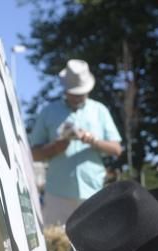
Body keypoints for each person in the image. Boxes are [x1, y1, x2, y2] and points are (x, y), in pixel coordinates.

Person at [28, 59, 123, 227]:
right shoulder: (49, 112)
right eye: (74, 93)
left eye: (81, 92)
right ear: (66, 90)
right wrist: (54, 148)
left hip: (93, 190)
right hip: (58, 194)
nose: (77, 96)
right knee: (56, 247)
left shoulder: (99, 110)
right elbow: (32, 154)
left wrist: (93, 141)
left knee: (95, 246)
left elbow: (116, 149)